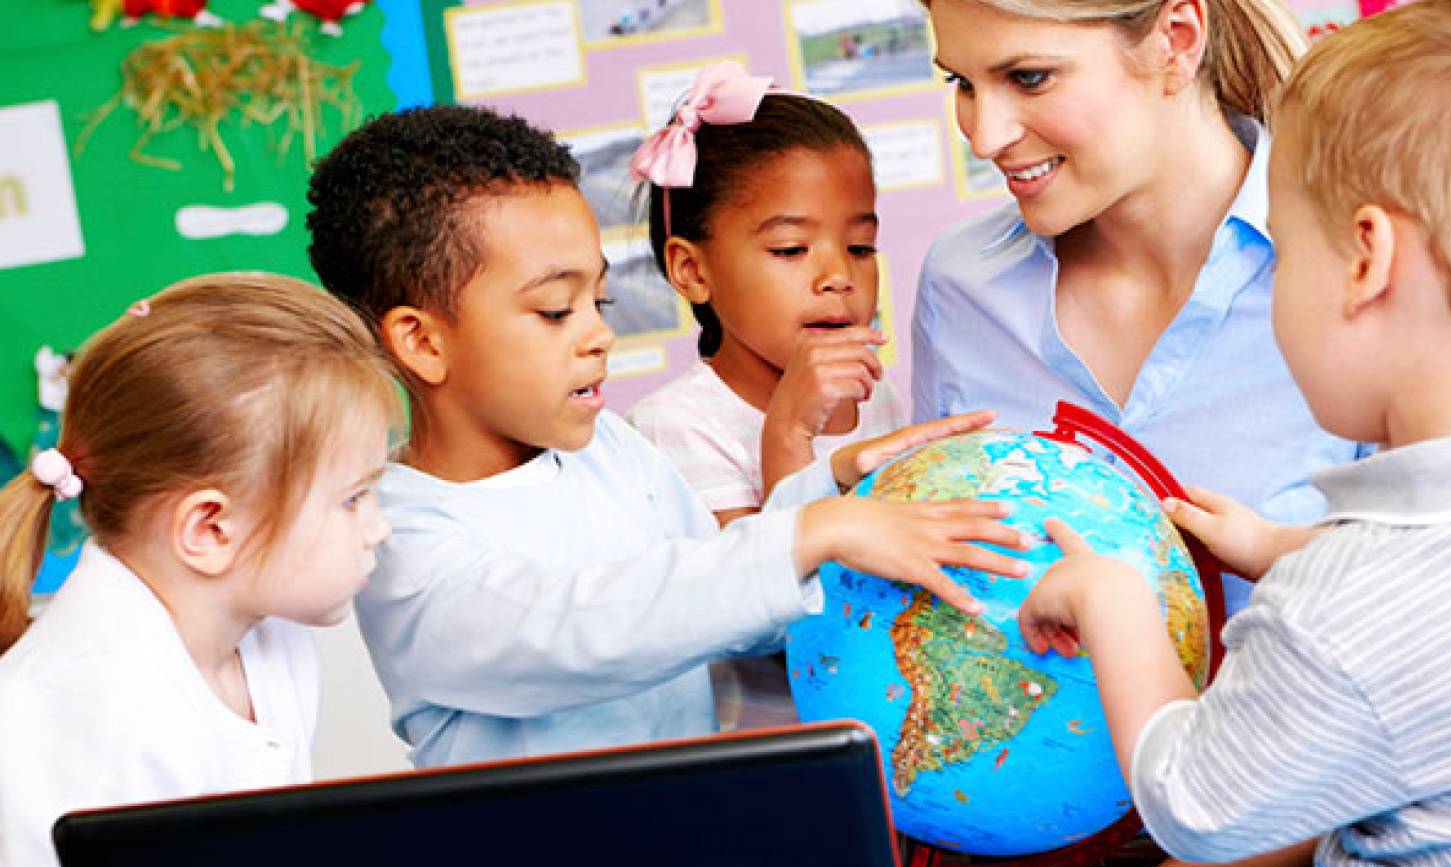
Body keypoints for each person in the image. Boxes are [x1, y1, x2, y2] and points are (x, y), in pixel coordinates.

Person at [1017, 0, 1451, 867]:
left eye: (1283, 253)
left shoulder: (1344, 612)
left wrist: (1110, 596)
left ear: (1367, 260)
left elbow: (1192, 799)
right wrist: (1284, 546)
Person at [304, 104, 1029, 769]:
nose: (598, 333)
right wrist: (815, 527)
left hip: (689, 851)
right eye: (556, 310)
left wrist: (830, 481)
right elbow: (575, 629)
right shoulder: (395, 535)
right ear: (422, 343)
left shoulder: (611, 453)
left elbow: (724, 594)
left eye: (599, 299)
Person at [918, 0, 1353, 867]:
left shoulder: (1361, 256)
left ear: (1177, 40)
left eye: (1028, 77)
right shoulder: (958, 287)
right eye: (961, 82)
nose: (984, 133)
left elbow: (1427, 652)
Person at [0, 273, 401, 867]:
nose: (377, 526)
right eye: (353, 498)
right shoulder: (86, 717)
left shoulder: (269, 639)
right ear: (210, 531)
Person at [625, 64, 903, 728]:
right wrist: (787, 439)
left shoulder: (878, 396)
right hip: (774, 770)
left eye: (860, 246)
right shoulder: (674, 428)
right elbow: (774, 635)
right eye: (790, 249)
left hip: (886, 742)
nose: (838, 276)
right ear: (692, 270)